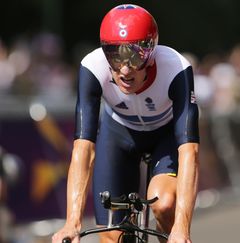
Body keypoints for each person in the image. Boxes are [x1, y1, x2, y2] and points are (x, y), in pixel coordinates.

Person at [52, 4, 200, 243]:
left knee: (163, 203)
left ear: (151, 53)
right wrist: (72, 222)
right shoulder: (92, 67)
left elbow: (190, 152)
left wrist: (182, 229)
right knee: (112, 235)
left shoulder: (175, 68)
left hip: (165, 136)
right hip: (118, 135)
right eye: (114, 54)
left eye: (134, 55)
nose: (124, 68)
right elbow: (83, 148)